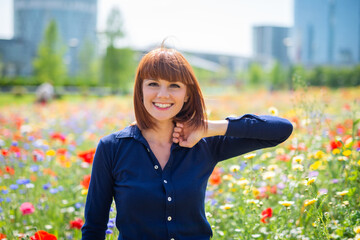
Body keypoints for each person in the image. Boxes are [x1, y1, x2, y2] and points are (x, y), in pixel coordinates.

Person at [81, 46, 293, 240]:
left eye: (174, 85)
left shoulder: (204, 144)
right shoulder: (112, 148)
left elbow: (281, 130)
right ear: (140, 90)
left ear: (187, 95)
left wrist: (208, 127)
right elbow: (94, 228)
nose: (163, 94)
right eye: (153, 84)